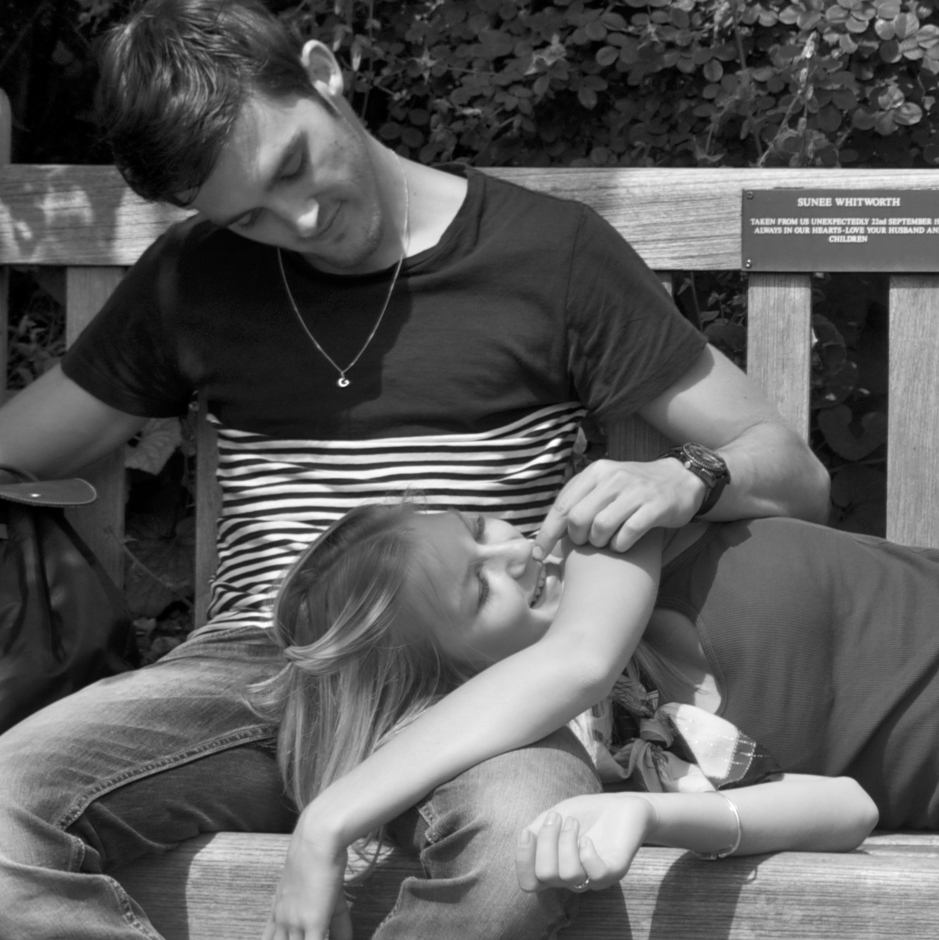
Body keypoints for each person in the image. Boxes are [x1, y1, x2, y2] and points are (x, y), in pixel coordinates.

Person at [0, 1, 829, 939]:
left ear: (324, 74)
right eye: (248, 216)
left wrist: (683, 478)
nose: (300, 219)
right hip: (263, 675)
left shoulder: (546, 254)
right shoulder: (196, 276)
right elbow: (21, 442)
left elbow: (789, 470)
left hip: (479, 681)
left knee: (521, 841)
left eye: (293, 166)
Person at [268, 498, 939, 901]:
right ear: (458, 677)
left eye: (480, 526)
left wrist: (325, 826)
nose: (514, 551)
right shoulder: (615, 745)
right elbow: (849, 807)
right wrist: (645, 813)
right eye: (478, 587)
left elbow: (578, 661)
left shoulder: (609, 535)